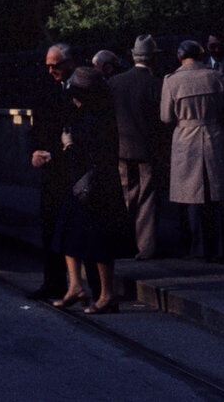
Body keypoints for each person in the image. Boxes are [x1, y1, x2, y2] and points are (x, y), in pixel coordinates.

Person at [51, 67, 132, 314]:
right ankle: (76, 285)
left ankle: (107, 295)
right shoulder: (95, 113)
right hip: (86, 185)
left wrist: (69, 146)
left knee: (99, 240)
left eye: (76, 94)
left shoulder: (96, 118)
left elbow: (91, 155)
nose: (73, 99)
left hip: (96, 187)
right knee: (69, 234)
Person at [161, 40, 224, 262]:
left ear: (179, 57)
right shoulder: (216, 76)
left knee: (192, 195)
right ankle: (222, 247)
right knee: (219, 194)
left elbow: (166, 117)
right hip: (215, 136)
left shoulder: (171, 81)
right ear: (202, 55)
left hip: (186, 138)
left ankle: (199, 247)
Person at [26, 44, 77, 300]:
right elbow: (36, 127)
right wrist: (35, 151)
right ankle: (53, 282)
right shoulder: (45, 88)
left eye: (55, 66)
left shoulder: (82, 87)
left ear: (69, 63)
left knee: (77, 228)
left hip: (74, 169)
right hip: (50, 170)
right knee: (50, 225)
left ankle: (87, 286)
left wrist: (57, 152)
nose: (50, 70)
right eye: (47, 65)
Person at [109, 35, 165, 259]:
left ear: (132, 56)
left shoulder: (115, 82)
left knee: (125, 195)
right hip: (148, 150)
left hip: (121, 149)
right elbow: (163, 120)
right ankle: (146, 247)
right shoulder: (157, 84)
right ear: (152, 58)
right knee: (148, 198)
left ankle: (123, 243)